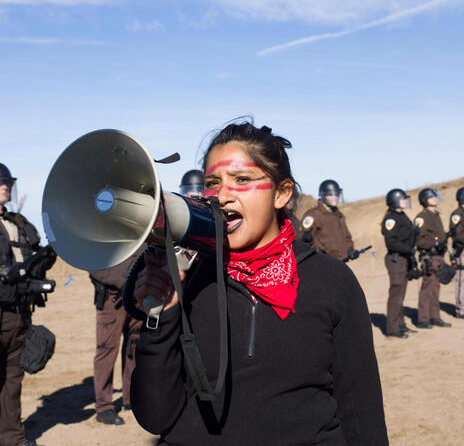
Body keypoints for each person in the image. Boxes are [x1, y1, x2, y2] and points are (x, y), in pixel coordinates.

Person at [130, 123, 388, 445]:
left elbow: (360, 408)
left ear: (281, 193)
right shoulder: (187, 278)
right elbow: (155, 417)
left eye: (242, 180)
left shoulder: (331, 281)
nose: (222, 195)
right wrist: (162, 316)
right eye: (213, 182)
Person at [0, 163, 49, 446]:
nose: (6, 186)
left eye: (8, 182)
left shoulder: (19, 223)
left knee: (13, 380)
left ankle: (13, 438)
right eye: (1, 182)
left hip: (20, 313)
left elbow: (35, 260)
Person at [89, 250, 143, 426]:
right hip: (112, 299)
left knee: (135, 347)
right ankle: (104, 406)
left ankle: (131, 399)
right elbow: (93, 265)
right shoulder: (101, 231)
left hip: (138, 295)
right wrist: (123, 282)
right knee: (107, 350)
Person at [381, 189, 418, 338]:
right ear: (395, 201)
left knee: (401, 294)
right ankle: (392, 328)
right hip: (396, 259)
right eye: (403, 199)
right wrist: (408, 249)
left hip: (404, 258)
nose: (405, 201)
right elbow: (391, 242)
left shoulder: (401, 216)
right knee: (396, 294)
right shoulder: (391, 218)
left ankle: (401, 324)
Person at [414, 188, 451, 329]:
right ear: (425, 200)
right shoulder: (422, 217)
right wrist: (434, 243)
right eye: (432, 197)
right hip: (429, 256)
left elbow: (439, 235)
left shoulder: (435, 215)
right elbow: (418, 240)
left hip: (439, 256)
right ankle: (423, 319)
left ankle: (435, 317)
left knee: (436, 288)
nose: (435, 199)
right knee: (427, 289)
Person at [300, 180, 358, 261]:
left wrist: (350, 250)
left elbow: (346, 236)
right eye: (330, 194)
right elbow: (309, 239)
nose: (334, 197)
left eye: (336, 194)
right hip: (323, 263)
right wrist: (321, 253)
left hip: (341, 261)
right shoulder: (313, 215)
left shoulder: (338, 214)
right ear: (323, 195)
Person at [449, 187, 464, 319]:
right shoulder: (457, 214)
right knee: (461, 279)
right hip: (461, 250)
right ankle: (461, 309)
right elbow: (458, 235)